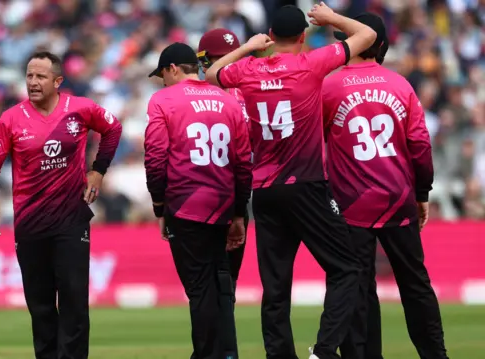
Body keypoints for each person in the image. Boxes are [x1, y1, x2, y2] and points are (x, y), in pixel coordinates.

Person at [204, 3, 378, 359]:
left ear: (270, 37)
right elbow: (368, 35)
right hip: (307, 184)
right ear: (302, 37)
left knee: (276, 286)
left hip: (265, 191)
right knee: (347, 269)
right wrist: (330, 19)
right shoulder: (311, 63)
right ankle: (325, 350)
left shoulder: (248, 69)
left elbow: (212, 74)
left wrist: (248, 48)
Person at [0, 51, 122, 359]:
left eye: (40, 76)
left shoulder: (80, 108)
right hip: (30, 226)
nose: (33, 82)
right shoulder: (11, 118)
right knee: (41, 307)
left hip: (71, 222)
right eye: (29, 75)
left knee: (74, 303)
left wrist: (98, 171)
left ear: (58, 81)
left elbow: (113, 129)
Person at [322, 13, 450, 359]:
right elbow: (420, 146)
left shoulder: (329, 86)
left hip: (351, 204)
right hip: (398, 198)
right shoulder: (400, 85)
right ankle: (435, 354)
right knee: (415, 285)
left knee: (357, 287)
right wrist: (422, 193)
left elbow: (315, 145)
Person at [145, 42, 253, 359]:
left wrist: (159, 207)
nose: (162, 81)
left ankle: (209, 354)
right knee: (220, 281)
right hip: (223, 204)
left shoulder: (163, 99)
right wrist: (237, 213)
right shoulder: (227, 100)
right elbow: (243, 163)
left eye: (162, 74)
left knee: (200, 288)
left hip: (185, 203)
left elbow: (154, 159)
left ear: (172, 69)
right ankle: (226, 352)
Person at [197, 28, 251, 292]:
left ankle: (215, 332)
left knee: (211, 284)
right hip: (238, 193)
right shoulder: (251, 93)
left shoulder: (192, 97)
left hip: (204, 194)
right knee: (226, 280)